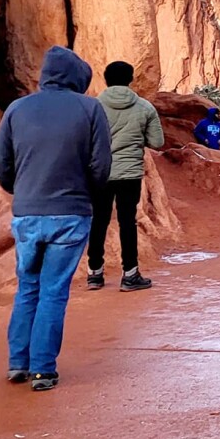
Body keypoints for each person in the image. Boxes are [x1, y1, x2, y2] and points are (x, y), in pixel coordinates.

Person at [0, 46, 111, 390]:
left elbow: (2, 165)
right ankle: (43, 369)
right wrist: (81, 192)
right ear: (78, 78)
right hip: (71, 215)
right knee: (54, 291)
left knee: (27, 287)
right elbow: (101, 167)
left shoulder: (17, 109)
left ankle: (18, 363)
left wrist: (23, 191)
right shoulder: (90, 109)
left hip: (27, 214)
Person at [88, 61, 164, 293]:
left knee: (99, 220)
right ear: (131, 79)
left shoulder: (93, 106)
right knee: (127, 222)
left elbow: (84, 140)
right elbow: (157, 142)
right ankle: (130, 275)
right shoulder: (144, 107)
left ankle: (95, 274)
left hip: (100, 171)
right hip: (129, 173)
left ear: (105, 79)